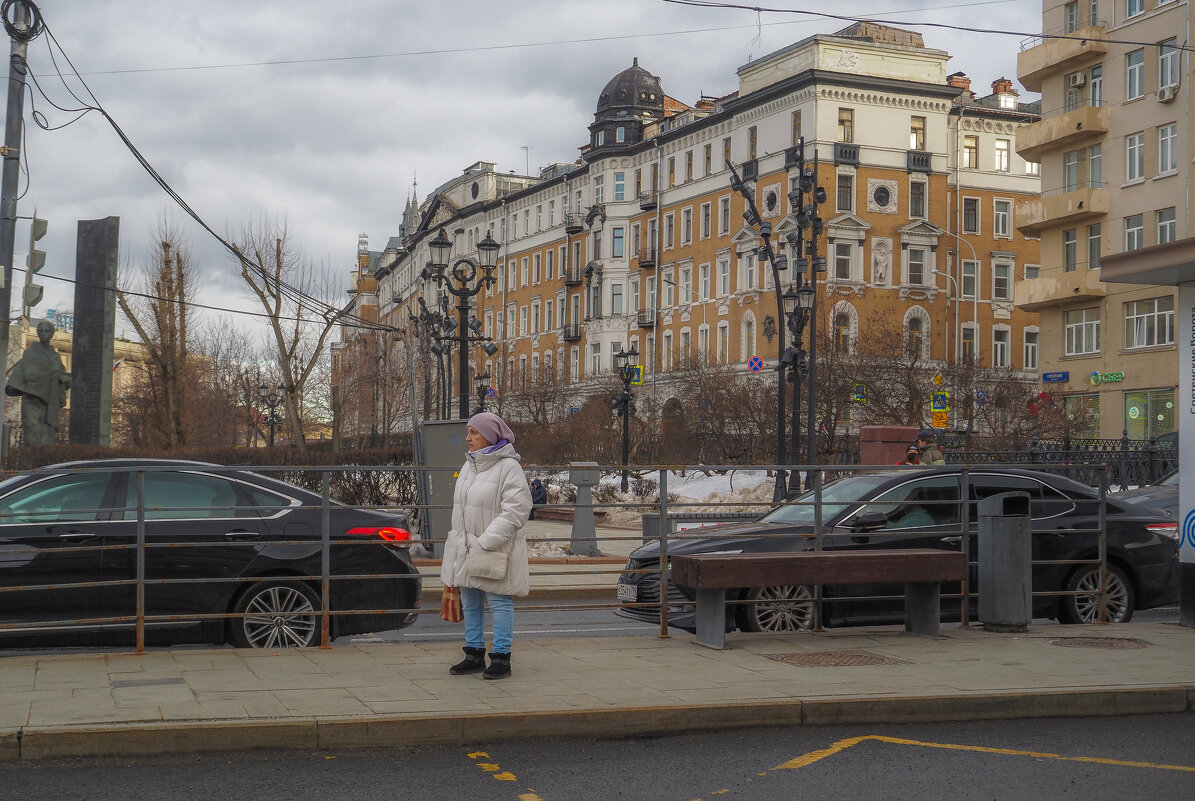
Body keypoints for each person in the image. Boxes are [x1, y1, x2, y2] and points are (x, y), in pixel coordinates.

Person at [440, 412, 531, 680]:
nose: (467, 438)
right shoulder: (469, 465)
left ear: (489, 436)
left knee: (499, 601)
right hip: (467, 547)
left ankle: (501, 658)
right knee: (469, 600)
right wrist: (460, 541)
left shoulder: (508, 467)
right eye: (468, 432)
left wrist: (485, 541)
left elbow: (517, 510)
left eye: (473, 433)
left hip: (493, 547)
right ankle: (474, 653)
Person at [6, 320, 70, 445]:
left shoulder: (55, 357)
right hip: (32, 402)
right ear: (37, 333)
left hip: (49, 403)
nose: (43, 334)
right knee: (32, 438)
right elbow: (28, 375)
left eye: (47, 331)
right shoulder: (29, 354)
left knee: (48, 440)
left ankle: (44, 463)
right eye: (40, 331)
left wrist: (66, 379)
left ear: (52, 334)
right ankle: (30, 464)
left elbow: (60, 378)